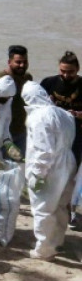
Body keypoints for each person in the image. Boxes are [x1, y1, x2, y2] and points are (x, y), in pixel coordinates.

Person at [22, 81, 77, 260]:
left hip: (51, 167)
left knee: (42, 207)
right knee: (61, 204)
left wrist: (37, 174)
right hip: (68, 162)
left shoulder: (38, 116)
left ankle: (44, 249)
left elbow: (43, 150)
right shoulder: (64, 114)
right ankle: (56, 241)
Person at [39, 51, 82, 231]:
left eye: (70, 72)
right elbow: (38, 109)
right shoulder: (49, 83)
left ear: (78, 70)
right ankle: (51, 206)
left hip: (77, 138)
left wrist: (79, 115)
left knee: (74, 176)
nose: (66, 75)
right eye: (63, 71)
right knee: (53, 172)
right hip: (55, 139)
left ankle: (73, 211)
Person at [0, 45, 32, 154]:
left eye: (25, 62)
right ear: (9, 62)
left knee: (21, 164)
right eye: (18, 62)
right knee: (2, 167)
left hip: (21, 130)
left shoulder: (28, 78)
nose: (22, 65)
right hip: (1, 133)